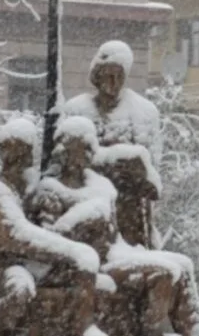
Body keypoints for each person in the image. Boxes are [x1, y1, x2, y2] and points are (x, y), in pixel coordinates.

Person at [28, 116, 199, 336]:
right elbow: (50, 241)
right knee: (164, 272)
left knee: (182, 264)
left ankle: (197, 330)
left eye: (87, 149)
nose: (84, 156)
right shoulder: (51, 191)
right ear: (64, 152)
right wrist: (83, 217)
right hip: (88, 265)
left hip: (115, 254)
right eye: (78, 149)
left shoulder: (101, 186)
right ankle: (150, 335)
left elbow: (114, 236)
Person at [0, 118, 99, 336]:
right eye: (17, 156)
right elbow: (19, 236)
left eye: (25, 155)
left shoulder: (18, 194)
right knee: (20, 289)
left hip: (12, 270)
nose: (22, 163)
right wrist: (74, 251)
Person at [60, 40, 162, 247]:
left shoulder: (143, 112)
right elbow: (65, 163)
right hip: (89, 201)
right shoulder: (77, 111)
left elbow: (153, 173)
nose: (114, 82)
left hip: (129, 207)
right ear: (97, 76)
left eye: (119, 76)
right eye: (109, 75)